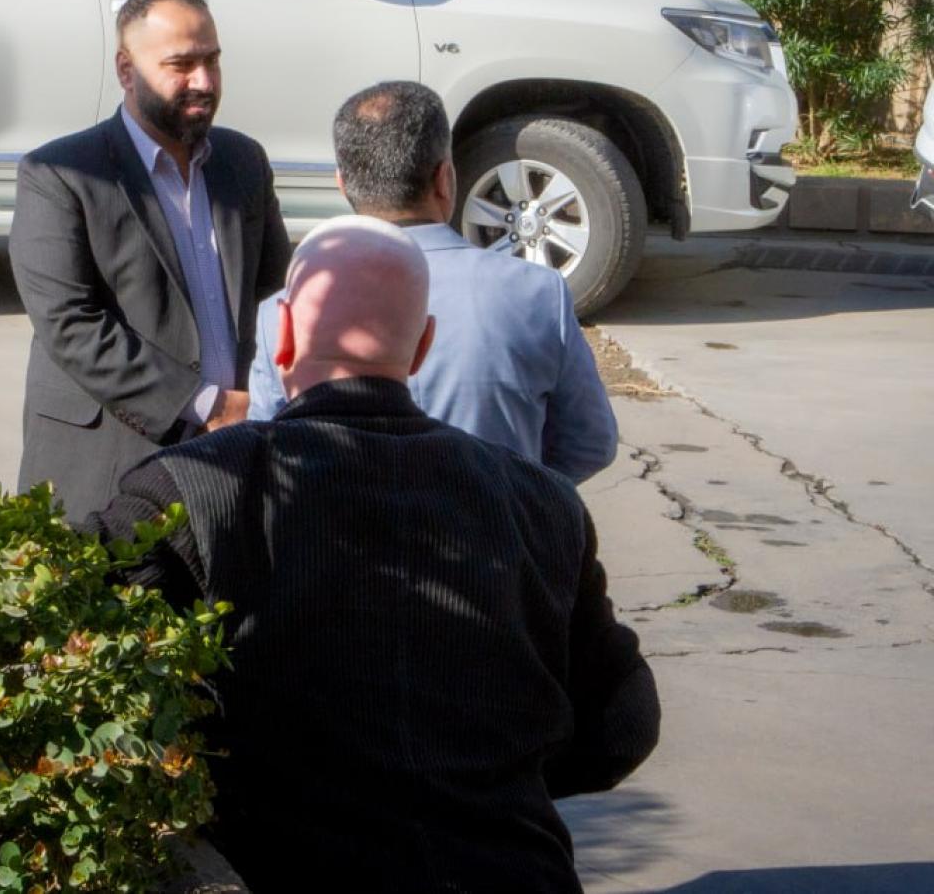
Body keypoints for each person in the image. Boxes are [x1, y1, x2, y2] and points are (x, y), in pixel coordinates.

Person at [94, 216, 660, 892]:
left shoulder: (193, 490)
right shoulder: (541, 501)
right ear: (422, 346)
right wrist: (493, 778)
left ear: (283, 337)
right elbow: (623, 722)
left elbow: (70, 655)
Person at [9, 0, 291, 525]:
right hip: (107, 463)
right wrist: (207, 404)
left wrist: (264, 403)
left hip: (237, 450)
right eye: (181, 65)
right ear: (126, 69)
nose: (204, 82)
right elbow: (69, 324)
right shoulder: (60, 173)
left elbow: (274, 296)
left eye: (212, 61)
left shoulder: (243, 161)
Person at [248, 81, 618, 483]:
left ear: (342, 183)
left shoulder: (282, 315)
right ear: (445, 177)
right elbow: (590, 444)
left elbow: (270, 457)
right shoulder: (538, 294)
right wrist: (520, 495)